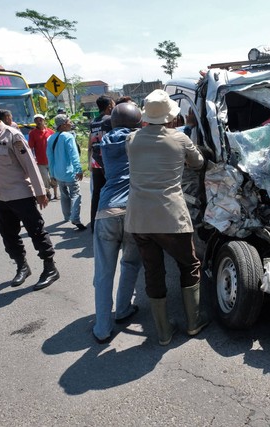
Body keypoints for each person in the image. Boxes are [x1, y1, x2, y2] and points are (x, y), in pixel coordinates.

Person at [125, 89, 207, 346]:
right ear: (171, 116)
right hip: (171, 216)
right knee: (189, 265)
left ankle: (163, 332)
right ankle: (193, 323)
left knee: (153, 270)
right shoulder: (180, 140)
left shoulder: (131, 139)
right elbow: (199, 163)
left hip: (139, 218)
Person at [0, 97, 60, 291]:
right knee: (8, 235)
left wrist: (40, 192)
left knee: (36, 231)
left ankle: (50, 268)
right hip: (0, 197)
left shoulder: (12, 136)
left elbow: (31, 165)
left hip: (21, 194)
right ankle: (22, 266)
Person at [92, 102, 143, 344]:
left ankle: (102, 328)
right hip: (134, 211)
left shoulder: (104, 141)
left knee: (103, 273)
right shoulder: (139, 140)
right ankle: (123, 310)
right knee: (130, 263)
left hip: (106, 211)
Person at [47, 114, 86, 230]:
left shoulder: (50, 138)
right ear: (63, 124)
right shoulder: (68, 136)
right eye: (69, 121)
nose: (70, 123)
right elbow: (74, 155)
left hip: (58, 173)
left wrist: (52, 174)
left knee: (64, 195)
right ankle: (75, 218)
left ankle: (67, 216)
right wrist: (78, 169)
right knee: (75, 194)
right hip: (70, 173)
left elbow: (50, 157)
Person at [88, 95, 115, 233]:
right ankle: (110, 225)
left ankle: (94, 225)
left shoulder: (93, 122)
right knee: (111, 192)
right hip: (107, 161)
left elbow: (91, 143)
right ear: (109, 106)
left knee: (97, 193)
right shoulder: (110, 120)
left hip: (95, 161)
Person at [27, 114, 57, 200]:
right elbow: (31, 147)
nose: (39, 121)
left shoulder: (51, 132)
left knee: (54, 177)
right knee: (45, 178)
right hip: (40, 161)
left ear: (44, 120)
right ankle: (47, 192)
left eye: (40, 119)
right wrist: (32, 158)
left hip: (51, 160)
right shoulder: (32, 133)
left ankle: (55, 194)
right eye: (37, 120)